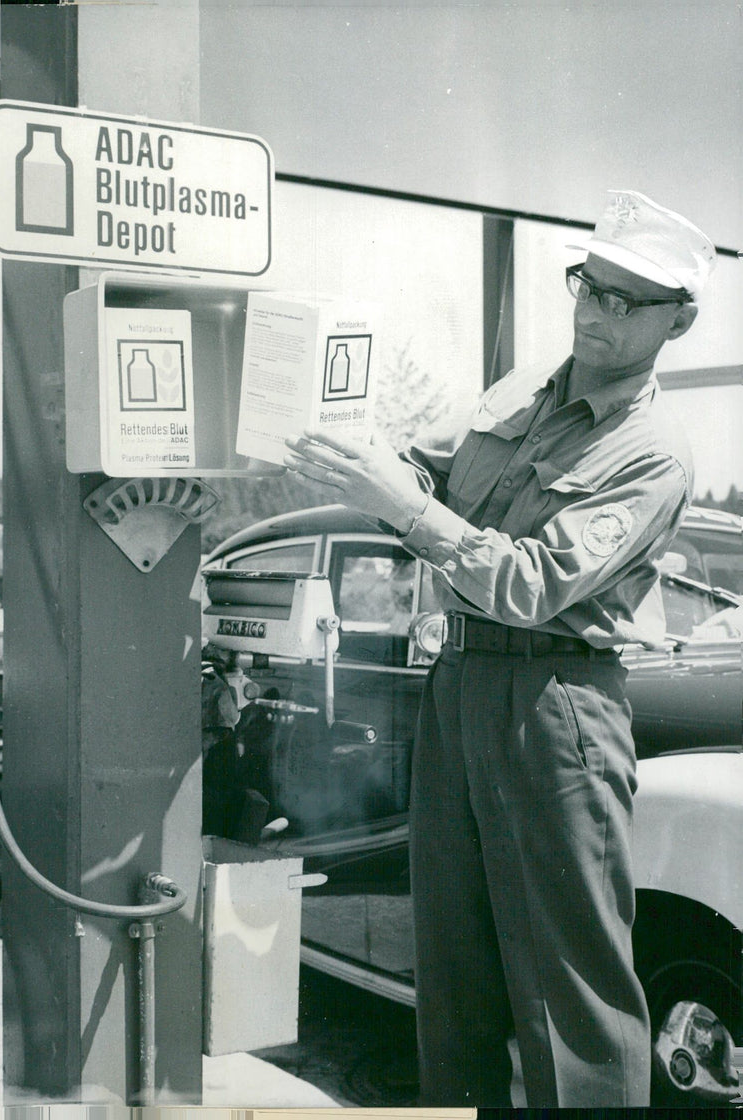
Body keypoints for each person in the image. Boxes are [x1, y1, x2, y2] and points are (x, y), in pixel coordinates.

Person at [283, 189, 717, 1108]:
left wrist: (398, 503)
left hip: (556, 705)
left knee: (571, 996)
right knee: (454, 974)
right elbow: (444, 480)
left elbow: (530, 583)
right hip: (464, 683)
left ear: (679, 321)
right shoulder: (525, 393)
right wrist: (374, 457)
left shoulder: (653, 454)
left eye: (624, 300)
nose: (595, 311)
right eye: (587, 285)